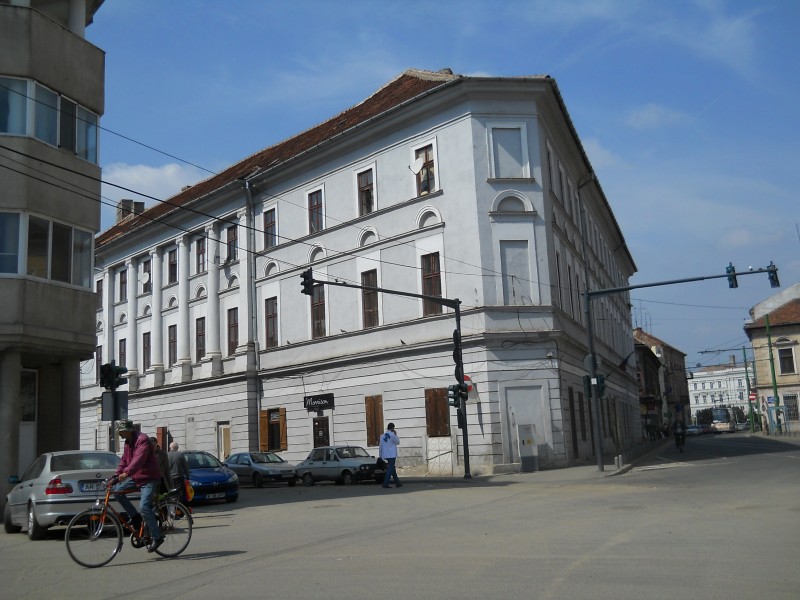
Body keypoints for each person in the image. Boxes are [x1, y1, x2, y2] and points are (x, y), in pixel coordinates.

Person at [113, 420, 164, 553]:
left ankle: (157, 537)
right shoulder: (128, 442)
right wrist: (116, 475)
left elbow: (138, 460)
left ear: (128, 431)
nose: (120, 434)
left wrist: (126, 473)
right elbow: (124, 460)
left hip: (148, 478)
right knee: (117, 492)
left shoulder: (142, 440)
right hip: (136, 477)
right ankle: (136, 518)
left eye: (121, 431)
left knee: (144, 507)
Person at [378, 422, 401, 488]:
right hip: (392, 454)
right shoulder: (392, 435)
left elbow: (380, 446)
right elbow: (398, 442)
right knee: (390, 468)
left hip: (385, 454)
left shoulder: (382, 436)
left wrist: (380, 455)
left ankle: (397, 483)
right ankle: (385, 483)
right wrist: (396, 434)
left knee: (392, 468)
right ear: (393, 428)